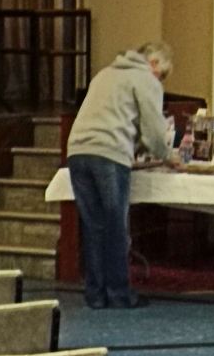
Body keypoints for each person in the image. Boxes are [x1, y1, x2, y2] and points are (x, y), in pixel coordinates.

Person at [66, 41, 179, 309]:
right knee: (115, 226)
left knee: (93, 226)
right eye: (162, 75)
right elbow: (153, 130)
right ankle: (119, 293)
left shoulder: (104, 74)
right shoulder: (145, 79)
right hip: (109, 154)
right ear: (154, 63)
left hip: (77, 151)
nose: (160, 81)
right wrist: (168, 156)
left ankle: (95, 294)